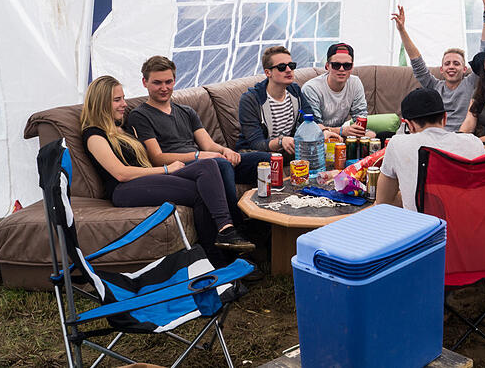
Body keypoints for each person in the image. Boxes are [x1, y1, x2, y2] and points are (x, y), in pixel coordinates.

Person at [80, 75, 255, 262]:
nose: (124, 104)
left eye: (123, 98)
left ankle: (227, 230)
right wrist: (166, 169)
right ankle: (218, 260)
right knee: (200, 193)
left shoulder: (122, 129)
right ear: (100, 103)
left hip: (145, 180)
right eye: (117, 100)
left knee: (208, 165)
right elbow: (121, 173)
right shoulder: (94, 135)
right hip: (124, 189)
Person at [126, 56, 271, 227]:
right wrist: (198, 156)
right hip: (180, 168)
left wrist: (225, 151)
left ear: (174, 81)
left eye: (168, 82)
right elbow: (157, 157)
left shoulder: (186, 111)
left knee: (266, 160)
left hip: (205, 162)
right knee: (220, 164)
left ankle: (269, 221)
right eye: (157, 83)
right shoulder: (140, 115)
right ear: (145, 82)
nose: (164, 88)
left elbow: (208, 145)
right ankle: (237, 227)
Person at [391, 0, 485, 132]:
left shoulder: (470, 83)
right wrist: (402, 30)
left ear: (464, 69)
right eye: (447, 63)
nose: (451, 66)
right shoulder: (435, 87)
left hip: (460, 136)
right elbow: (417, 63)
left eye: (456, 63)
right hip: (434, 137)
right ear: (442, 69)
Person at [376, 88, 485, 211]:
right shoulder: (474, 143)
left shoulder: (397, 144)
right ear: (445, 118)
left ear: (409, 125)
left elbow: (384, 202)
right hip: (466, 221)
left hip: (423, 223)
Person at [236, 45, 338, 154]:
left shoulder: (294, 91)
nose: (288, 70)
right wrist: (281, 141)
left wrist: (324, 131)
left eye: (291, 66)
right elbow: (256, 143)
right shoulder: (251, 100)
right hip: (254, 153)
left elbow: (309, 118)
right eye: (282, 67)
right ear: (268, 72)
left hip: (285, 151)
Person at [301, 43, 375, 139]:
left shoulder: (355, 82)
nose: (341, 69)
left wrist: (358, 131)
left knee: (371, 135)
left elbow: (360, 115)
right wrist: (341, 131)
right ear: (327, 66)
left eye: (347, 65)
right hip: (313, 136)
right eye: (336, 65)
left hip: (339, 135)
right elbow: (313, 126)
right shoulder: (312, 88)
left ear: (352, 67)